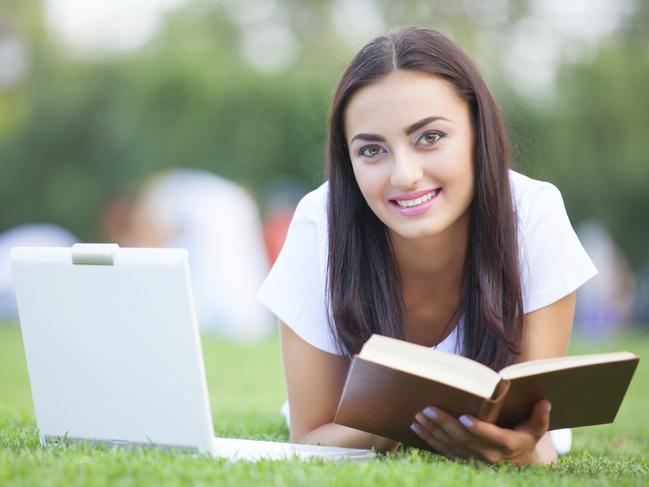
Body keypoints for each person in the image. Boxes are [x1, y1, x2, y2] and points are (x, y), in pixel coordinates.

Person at [257, 27, 597, 465]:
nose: (404, 175)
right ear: (348, 160)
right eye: (372, 150)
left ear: (479, 131)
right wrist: (402, 416)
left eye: (430, 138)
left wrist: (518, 452)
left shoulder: (533, 214)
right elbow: (311, 438)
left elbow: (538, 442)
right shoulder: (319, 223)